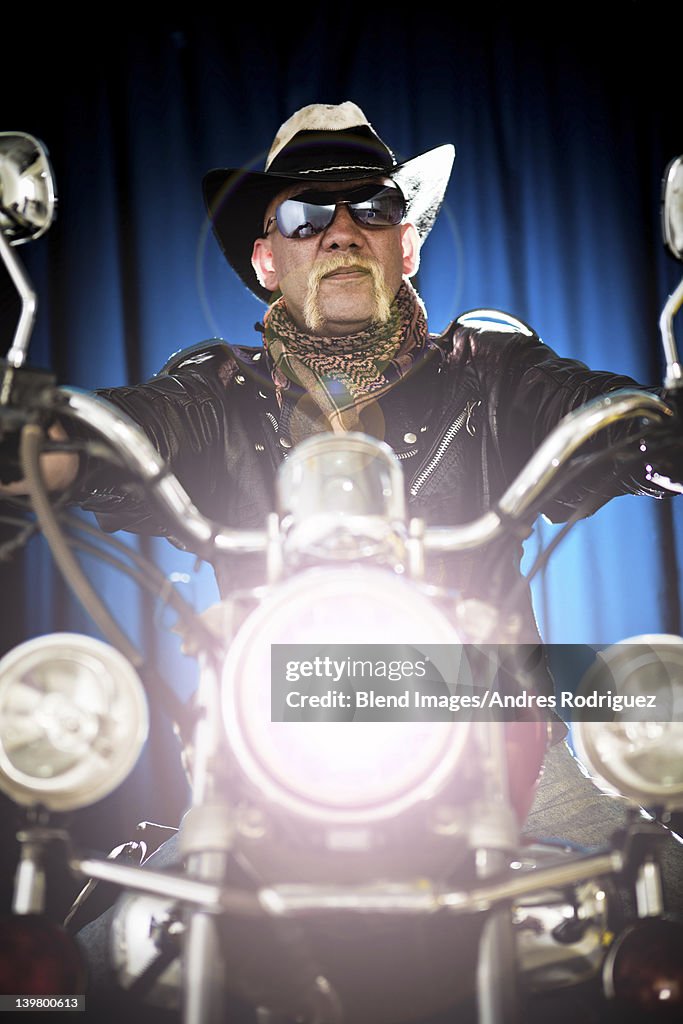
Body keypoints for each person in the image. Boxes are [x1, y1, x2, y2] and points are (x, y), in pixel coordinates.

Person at [2, 101, 683, 1020]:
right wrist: (36, 450)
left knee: (657, 921)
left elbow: (595, 414)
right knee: (74, 967)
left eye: (371, 205)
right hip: (256, 763)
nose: (340, 232)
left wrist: (654, 433)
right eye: (302, 215)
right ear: (265, 259)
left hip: (503, 747)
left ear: (407, 245)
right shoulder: (215, 397)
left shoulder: (493, 377)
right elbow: (126, 435)